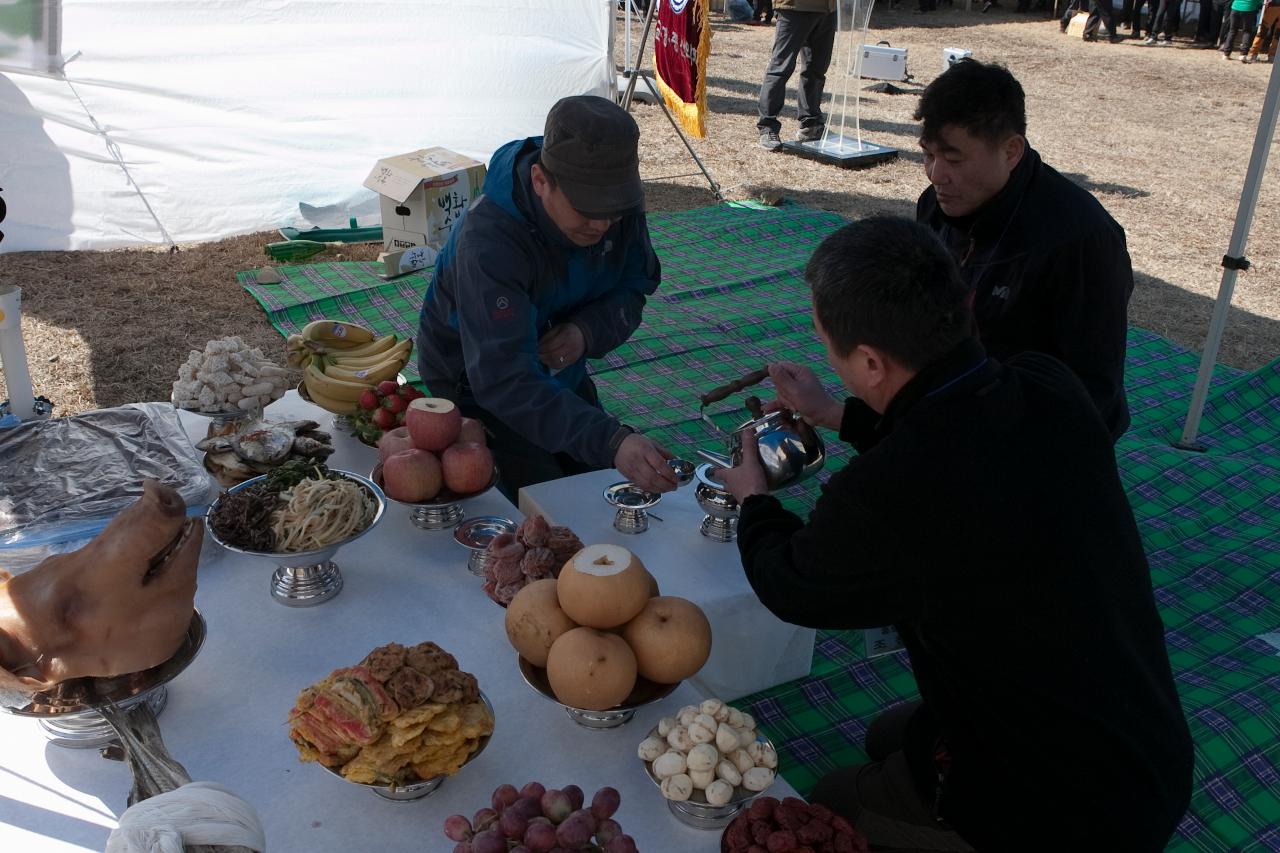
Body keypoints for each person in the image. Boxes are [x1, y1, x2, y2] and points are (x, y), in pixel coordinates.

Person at [717, 216, 1194, 853]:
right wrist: (836, 412)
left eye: (831, 347)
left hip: (1065, 815)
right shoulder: (1047, 384)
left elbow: (793, 583)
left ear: (868, 361)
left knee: (831, 799)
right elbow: (956, 440)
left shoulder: (889, 493)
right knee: (891, 735)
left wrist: (753, 500)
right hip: (1144, 747)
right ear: (960, 304)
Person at [415, 95, 678, 499]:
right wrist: (611, 441)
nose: (603, 224)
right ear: (540, 181)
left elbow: (635, 286)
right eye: (587, 209)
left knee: (601, 487)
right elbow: (502, 379)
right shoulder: (488, 242)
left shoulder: (614, 205)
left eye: (613, 210)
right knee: (548, 505)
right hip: (477, 382)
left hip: (558, 369)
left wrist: (585, 332)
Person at [914, 60, 1134, 439]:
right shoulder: (936, 204)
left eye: (953, 159)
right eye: (928, 155)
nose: (935, 175)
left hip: (1039, 432)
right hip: (954, 405)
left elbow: (1092, 386)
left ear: (1011, 151)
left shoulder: (1080, 240)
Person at [756, 0, 837, 150]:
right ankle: (767, 127)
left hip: (828, 9)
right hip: (795, 7)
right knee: (780, 68)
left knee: (816, 70)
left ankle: (811, 125)